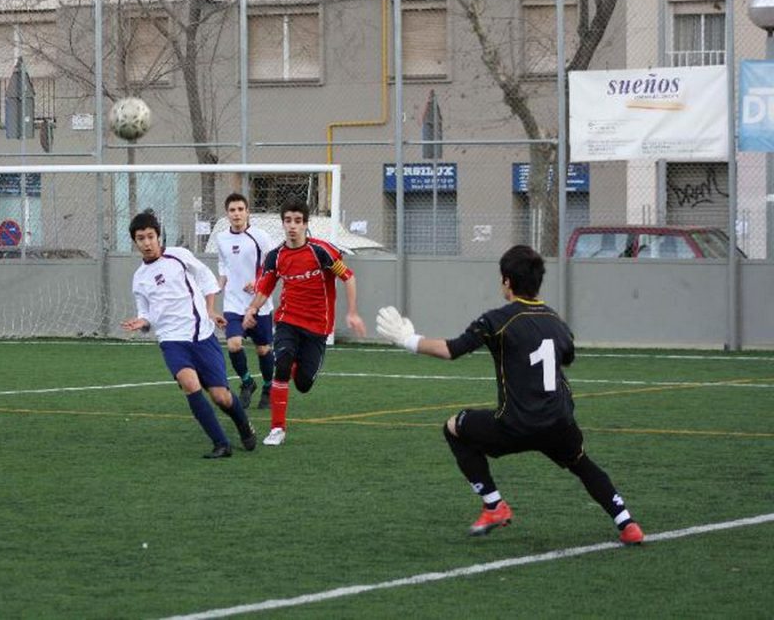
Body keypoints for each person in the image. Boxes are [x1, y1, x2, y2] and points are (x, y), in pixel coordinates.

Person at [375, 244, 644, 545]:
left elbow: (451, 350)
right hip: (558, 422)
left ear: (507, 281)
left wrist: (407, 339)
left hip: (517, 425)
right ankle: (627, 523)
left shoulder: (497, 321)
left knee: (454, 428)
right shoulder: (557, 322)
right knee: (582, 464)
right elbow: (566, 357)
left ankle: (494, 505)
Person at [121, 210, 257, 459]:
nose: (147, 243)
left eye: (150, 236)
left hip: (201, 336)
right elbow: (147, 314)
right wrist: (141, 321)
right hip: (172, 341)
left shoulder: (179, 256)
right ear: (135, 242)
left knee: (221, 397)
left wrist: (210, 310)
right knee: (190, 385)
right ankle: (221, 444)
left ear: (158, 236)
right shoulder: (139, 279)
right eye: (141, 238)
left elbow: (206, 278)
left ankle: (243, 424)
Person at [243, 198, 366, 447]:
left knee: (303, 383)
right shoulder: (275, 256)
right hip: (287, 319)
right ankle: (277, 428)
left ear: (305, 224)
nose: (292, 226)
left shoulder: (322, 251)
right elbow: (266, 286)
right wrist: (252, 309)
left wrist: (352, 312)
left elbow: (348, 277)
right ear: (283, 223)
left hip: (318, 326)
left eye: (298, 221)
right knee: (282, 364)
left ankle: (299, 365)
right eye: (288, 221)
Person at [214, 192, 276, 410]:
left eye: (241, 209)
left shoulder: (260, 237)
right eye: (232, 210)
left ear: (248, 212)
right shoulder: (221, 238)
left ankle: (268, 387)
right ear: (227, 214)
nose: (237, 214)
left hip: (259, 303)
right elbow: (223, 265)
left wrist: (258, 283)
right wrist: (218, 286)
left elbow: (271, 267)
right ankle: (248, 382)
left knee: (263, 350)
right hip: (233, 303)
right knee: (233, 344)